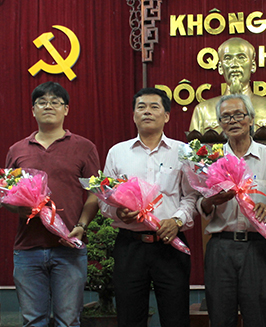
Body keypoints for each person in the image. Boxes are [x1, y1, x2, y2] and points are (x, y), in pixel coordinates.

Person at [3, 81, 100, 326]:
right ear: (33, 110)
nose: (49, 106)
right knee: (33, 320)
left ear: (66, 109)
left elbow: (95, 194)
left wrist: (82, 225)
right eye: (42, 102)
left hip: (69, 248)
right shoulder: (17, 150)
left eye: (56, 102)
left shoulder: (84, 147)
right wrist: (20, 206)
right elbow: (6, 195)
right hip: (27, 248)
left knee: (68, 320)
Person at [100, 87, 197, 327]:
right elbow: (104, 200)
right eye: (141, 107)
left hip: (170, 244)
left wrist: (176, 221)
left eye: (155, 107)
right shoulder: (117, 152)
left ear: (166, 115)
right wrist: (118, 211)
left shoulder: (183, 152)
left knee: (175, 317)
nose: (147, 112)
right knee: (130, 317)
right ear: (133, 115)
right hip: (130, 246)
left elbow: (191, 197)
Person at [197, 94, 266, 327]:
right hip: (221, 246)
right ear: (219, 124)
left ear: (251, 119)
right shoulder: (211, 160)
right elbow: (200, 202)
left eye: (239, 114)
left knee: (259, 317)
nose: (233, 120)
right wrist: (212, 200)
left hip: (257, 248)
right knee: (220, 317)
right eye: (226, 116)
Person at [189, 37, 266, 135]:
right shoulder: (202, 111)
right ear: (220, 67)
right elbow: (193, 149)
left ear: (253, 66)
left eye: (241, 58)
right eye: (228, 59)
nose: (234, 64)